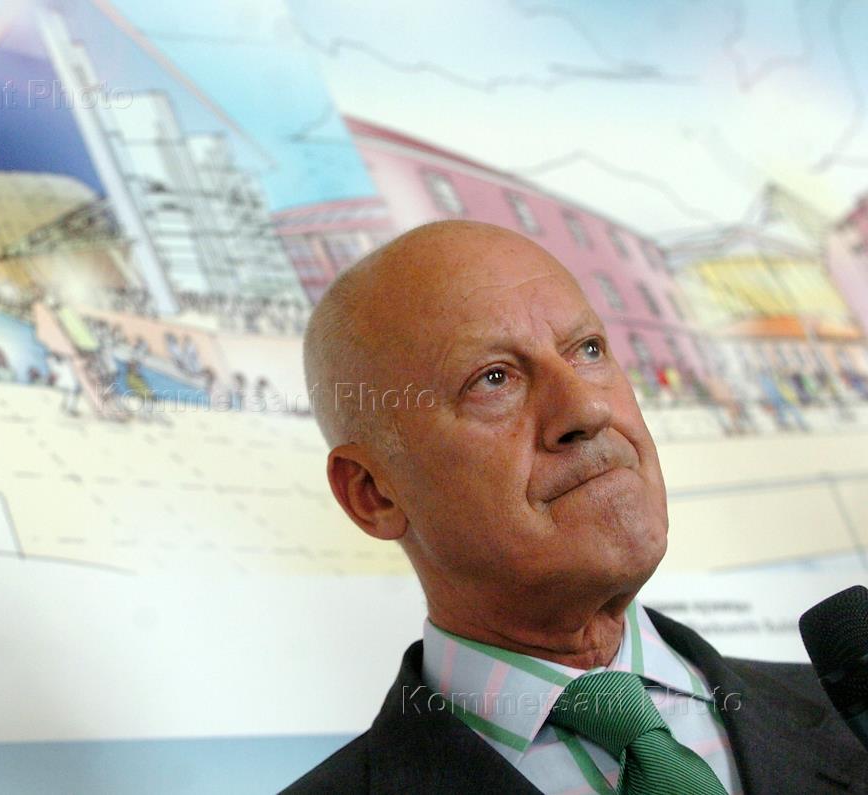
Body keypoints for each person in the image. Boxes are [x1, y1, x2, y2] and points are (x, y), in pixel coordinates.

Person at [286, 221, 866, 793]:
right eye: (494, 379)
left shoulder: (852, 723)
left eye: (588, 350)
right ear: (373, 493)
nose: (587, 409)